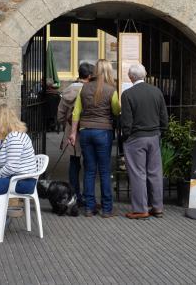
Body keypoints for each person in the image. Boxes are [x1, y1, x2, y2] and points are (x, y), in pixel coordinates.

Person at [67, 59, 120, 218]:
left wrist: (73, 133)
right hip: (103, 132)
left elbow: (76, 112)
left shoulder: (84, 88)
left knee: (89, 171)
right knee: (104, 171)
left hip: (85, 132)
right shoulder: (111, 90)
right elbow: (116, 111)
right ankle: (107, 209)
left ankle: (89, 208)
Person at [121, 63, 168, 219]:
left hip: (136, 138)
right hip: (154, 136)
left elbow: (126, 121)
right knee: (155, 173)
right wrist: (161, 131)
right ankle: (158, 207)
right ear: (145, 75)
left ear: (130, 77)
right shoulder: (156, 91)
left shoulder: (128, 94)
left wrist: (125, 137)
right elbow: (164, 116)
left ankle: (141, 209)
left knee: (138, 174)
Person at [0, 104, 38, 237]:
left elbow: (12, 167)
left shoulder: (15, 138)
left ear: (1, 119)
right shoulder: (4, 138)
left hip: (22, 181)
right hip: (10, 178)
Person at [58, 62, 95, 204]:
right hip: (87, 129)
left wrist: (65, 123)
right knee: (89, 165)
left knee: (74, 164)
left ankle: (74, 195)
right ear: (90, 76)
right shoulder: (90, 91)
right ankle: (87, 196)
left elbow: (60, 115)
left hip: (71, 131)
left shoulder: (68, 90)